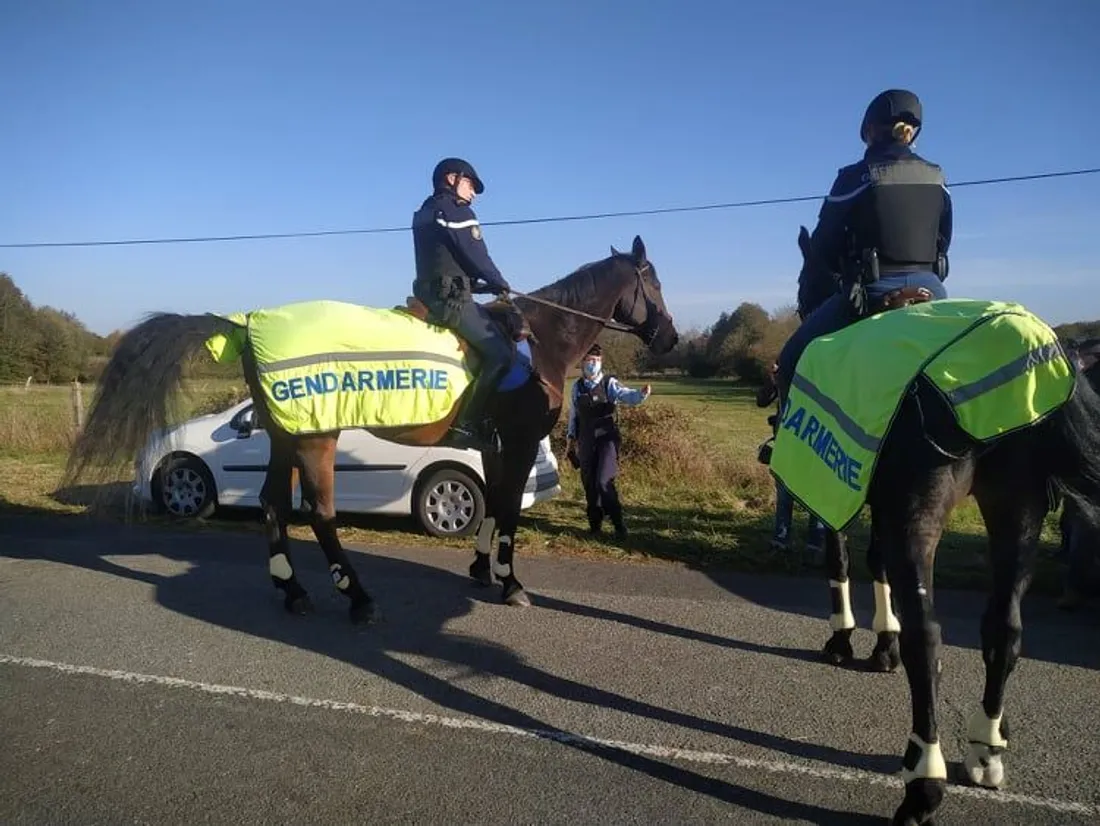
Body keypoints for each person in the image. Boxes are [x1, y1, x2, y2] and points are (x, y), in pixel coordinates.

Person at [773, 89, 954, 404]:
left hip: (872, 294)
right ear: (912, 134)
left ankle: (788, 444)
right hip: (932, 293)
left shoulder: (855, 177)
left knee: (789, 363)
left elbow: (822, 248)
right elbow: (944, 240)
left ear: (870, 131)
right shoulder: (937, 177)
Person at [412, 157, 514, 451]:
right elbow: (476, 255)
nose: (473, 193)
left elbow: (447, 259)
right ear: (451, 178)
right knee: (501, 353)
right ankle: (466, 424)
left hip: (430, 294)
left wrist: (477, 283)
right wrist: (499, 282)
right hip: (450, 302)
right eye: (470, 184)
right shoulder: (456, 210)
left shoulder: (426, 211)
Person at [565, 343, 652, 539]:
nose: (592, 364)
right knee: (589, 484)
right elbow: (573, 415)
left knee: (603, 481)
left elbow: (625, 395)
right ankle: (595, 525)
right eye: (588, 360)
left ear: (601, 362)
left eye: (595, 361)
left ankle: (618, 523)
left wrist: (640, 395)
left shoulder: (608, 383)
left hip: (607, 439)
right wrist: (570, 440)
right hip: (586, 439)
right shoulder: (577, 387)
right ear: (582, 362)